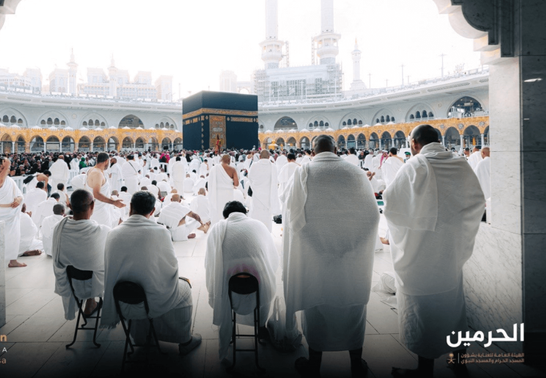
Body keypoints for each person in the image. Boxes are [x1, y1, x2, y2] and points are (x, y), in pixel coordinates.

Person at [383, 125, 485, 377]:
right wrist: (455, 229)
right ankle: (458, 361)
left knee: (422, 309)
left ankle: (424, 369)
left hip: (422, 252)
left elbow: (392, 205)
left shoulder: (415, 166)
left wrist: (419, 222)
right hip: (450, 249)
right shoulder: (460, 164)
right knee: (453, 306)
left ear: (416, 143)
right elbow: (477, 202)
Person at [283, 135, 379, 377]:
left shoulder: (304, 173)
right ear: (336, 150)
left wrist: (315, 245)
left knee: (317, 305)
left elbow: (292, 215)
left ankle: (314, 365)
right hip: (352, 258)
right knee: (353, 307)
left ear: (312, 152)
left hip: (315, 256)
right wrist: (353, 247)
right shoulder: (355, 172)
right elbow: (373, 215)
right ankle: (356, 364)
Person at [100, 191, 202, 355]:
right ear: (153, 211)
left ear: (131, 207)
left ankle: (141, 337)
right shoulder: (160, 232)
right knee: (184, 289)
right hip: (152, 299)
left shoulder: (113, 233)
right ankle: (185, 340)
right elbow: (171, 266)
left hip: (123, 299)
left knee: (143, 288)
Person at [205, 201, 279, 361]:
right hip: (261, 291)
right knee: (267, 275)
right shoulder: (259, 225)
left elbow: (209, 264)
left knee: (225, 275)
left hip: (228, 294)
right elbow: (274, 260)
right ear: (244, 212)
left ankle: (230, 327)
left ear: (226, 217)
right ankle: (261, 326)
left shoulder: (217, 230)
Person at [53, 190, 110, 319]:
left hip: (71, 279)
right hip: (96, 282)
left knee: (85, 265)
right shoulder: (102, 231)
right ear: (93, 206)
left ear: (70, 206)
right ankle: (92, 301)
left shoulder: (59, 227)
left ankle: (90, 302)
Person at [0, 157, 26, 268]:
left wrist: (18, 200)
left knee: (13, 236)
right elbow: (0, 181)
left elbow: (19, 194)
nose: (4, 170)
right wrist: (7, 165)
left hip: (10, 213)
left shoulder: (10, 180)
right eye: (2, 168)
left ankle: (13, 260)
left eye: (5, 168)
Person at [85, 152, 126, 227]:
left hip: (102, 207)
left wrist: (112, 199)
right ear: (106, 161)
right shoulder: (97, 173)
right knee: (104, 232)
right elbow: (96, 194)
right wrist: (113, 202)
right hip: (99, 210)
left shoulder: (93, 170)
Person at [248, 149, 281, 232]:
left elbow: (250, 179)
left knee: (256, 213)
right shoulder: (273, 167)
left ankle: (256, 232)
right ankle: (267, 233)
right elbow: (275, 181)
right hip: (269, 195)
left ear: (259, 156)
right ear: (269, 157)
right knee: (267, 216)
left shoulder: (254, 165)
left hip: (257, 195)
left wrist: (255, 189)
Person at [207, 155, 240, 224]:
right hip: (228, 193)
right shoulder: (232, 169)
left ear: (221, 160)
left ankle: (217, 225)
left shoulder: (214, 169)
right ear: (229, 160)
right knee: (227, 209)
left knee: (218, 210)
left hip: (216, 193)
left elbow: (210, 183)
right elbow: (236, 184)